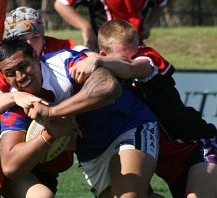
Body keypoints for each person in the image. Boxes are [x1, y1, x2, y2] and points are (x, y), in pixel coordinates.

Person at [69, 19, 217, 198]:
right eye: (123, 57)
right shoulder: (102, 79)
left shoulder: (147, 57)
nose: (131, 58)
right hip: (167, 164)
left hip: (195, 145)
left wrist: (97, 60)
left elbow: (132, 68)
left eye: (135, 52)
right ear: (104, 53)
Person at [0, 37, 161, 197]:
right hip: (92, 153)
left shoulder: (63, 63)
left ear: (35, 55)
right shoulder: (17, 103)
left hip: (128, 126)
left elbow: (109, 88)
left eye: (23, 66)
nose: (20, 77)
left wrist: (53, 112)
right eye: (10, 73)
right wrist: (50, 134)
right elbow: (10, 166)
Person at [0, 6, 88, 119]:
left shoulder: (59, 47)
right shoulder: (10, 67)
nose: (30, 43)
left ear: (43, 37)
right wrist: (15, 97)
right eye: (22, 39)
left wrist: (96, 60)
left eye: (35, 37)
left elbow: (91, 59)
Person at [54, 0, 168, 50]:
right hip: (103, 49)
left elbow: (162, 3)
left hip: (136, 47)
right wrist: (85, 27)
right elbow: (61, 4)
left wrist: (149, 24)